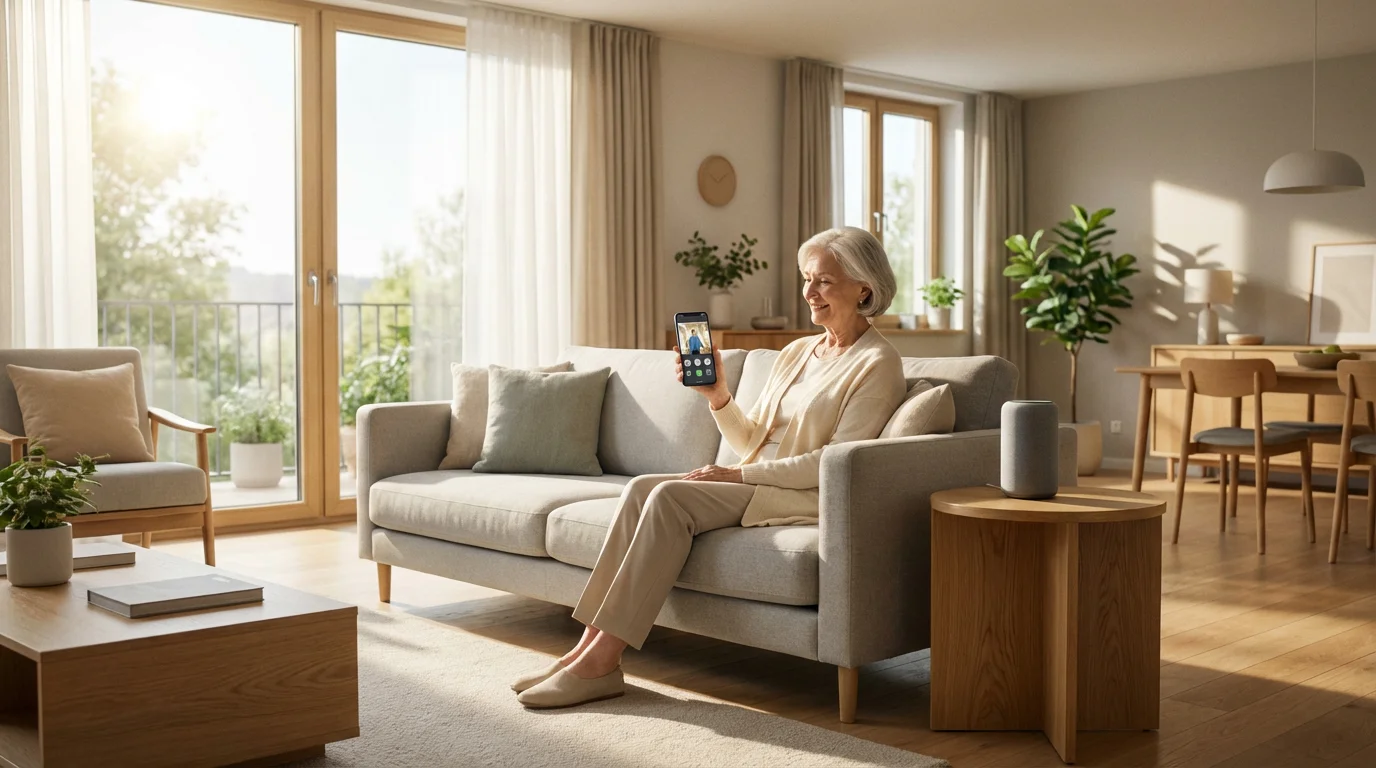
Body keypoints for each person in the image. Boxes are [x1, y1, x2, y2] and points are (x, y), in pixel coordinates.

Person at [513, 226, 907, 709]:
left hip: (799, 493)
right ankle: (582, 653)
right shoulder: (797, 352)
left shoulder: (878, 363)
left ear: (864, 288)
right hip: (753, 479)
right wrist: (717, 394)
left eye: (823, 281)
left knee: (669, 496)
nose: (809, 292)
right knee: (641, 488)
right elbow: (750, 440)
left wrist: (738, 474)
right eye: (806, 279)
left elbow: (836, 462)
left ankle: (601, 665)